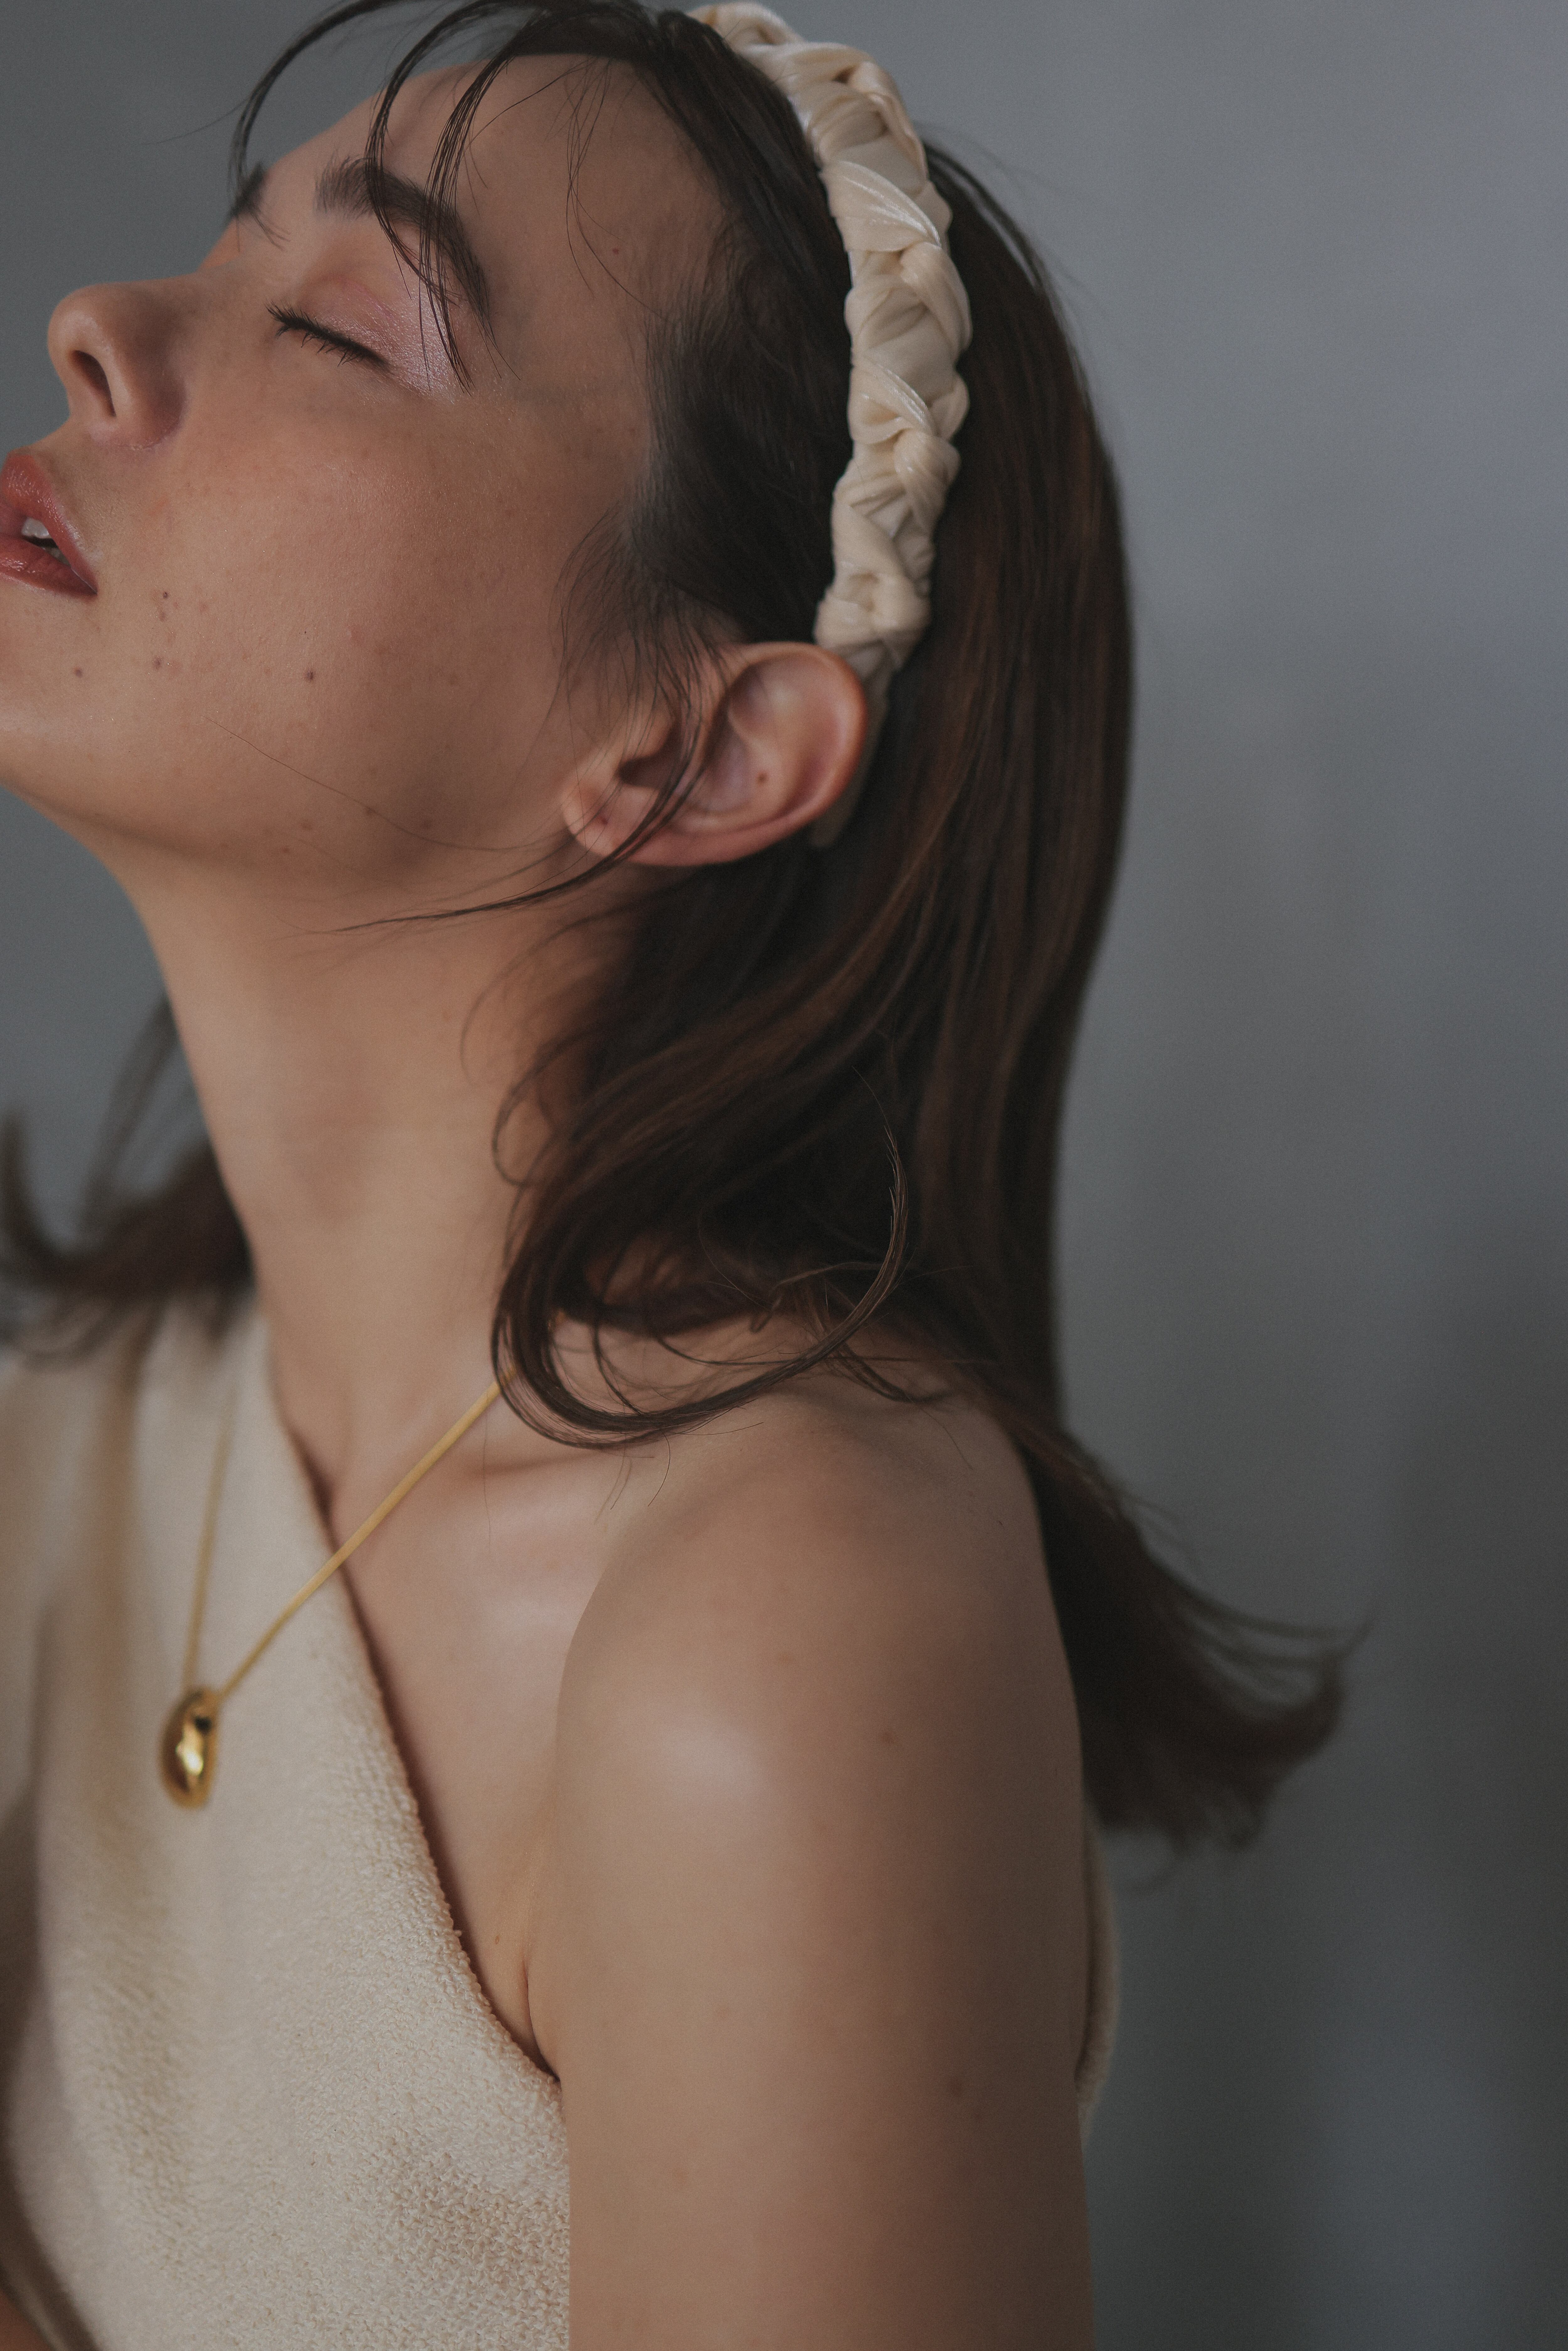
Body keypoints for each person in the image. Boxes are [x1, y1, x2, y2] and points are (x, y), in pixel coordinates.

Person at [0, 4, 1340, 2344]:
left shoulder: (784, 1617)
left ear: (696, 750)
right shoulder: (67, 1442)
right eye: (221, 252)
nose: (94, 327)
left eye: (338, 325)